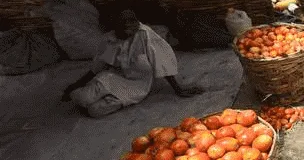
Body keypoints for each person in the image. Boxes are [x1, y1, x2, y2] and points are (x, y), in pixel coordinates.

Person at [62, 8, 202, 117]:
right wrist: (77, 84)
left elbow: (161, 61)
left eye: (132, 21)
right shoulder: (109, 39)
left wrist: (178, 89)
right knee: (81, 98)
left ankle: (105, 98)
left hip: (137, 85)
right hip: (112, 77)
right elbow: (98, 66)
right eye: (123, 22)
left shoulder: (145, 35)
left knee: (95, 111)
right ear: (114, 25)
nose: (129, 25)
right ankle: (88, 94)